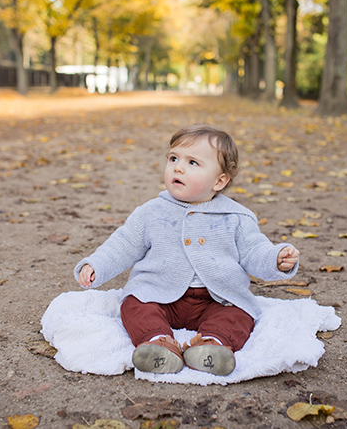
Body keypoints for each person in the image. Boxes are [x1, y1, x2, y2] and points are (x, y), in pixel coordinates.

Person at [75, 124, 300, 376]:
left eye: (192, 162)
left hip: (217, 298)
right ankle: (157, 342)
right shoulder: (152, 212)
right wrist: (96, 264)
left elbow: (254, 252)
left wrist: (275, 259)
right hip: (160, 293)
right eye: (173, 158)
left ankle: (213, 344)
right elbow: (124, 244)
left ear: (219, 180)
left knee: (240, 314)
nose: (178, 167)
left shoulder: (236, 217)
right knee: (133, 304)